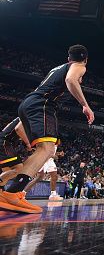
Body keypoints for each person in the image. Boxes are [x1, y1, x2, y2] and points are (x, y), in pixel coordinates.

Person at [0, 45, 94, 214]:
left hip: (27, 105)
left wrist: (29, 144)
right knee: (48, 149)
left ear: (68, 58)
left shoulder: (56, 69)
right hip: (42, 105)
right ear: (85, 59)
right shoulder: (79, 66)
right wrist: (85, 106)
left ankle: (12, 192)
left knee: (43, 150)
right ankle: (13, 193)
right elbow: (70, 80)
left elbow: (20, 126)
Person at [0, 117, 31, 187]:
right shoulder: (27, 116)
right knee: (18, 168)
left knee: (7, 172)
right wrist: (28, 143)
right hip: (5, 143)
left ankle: (1, 193)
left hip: (5, 143)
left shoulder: (20, 117)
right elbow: (18, 129)